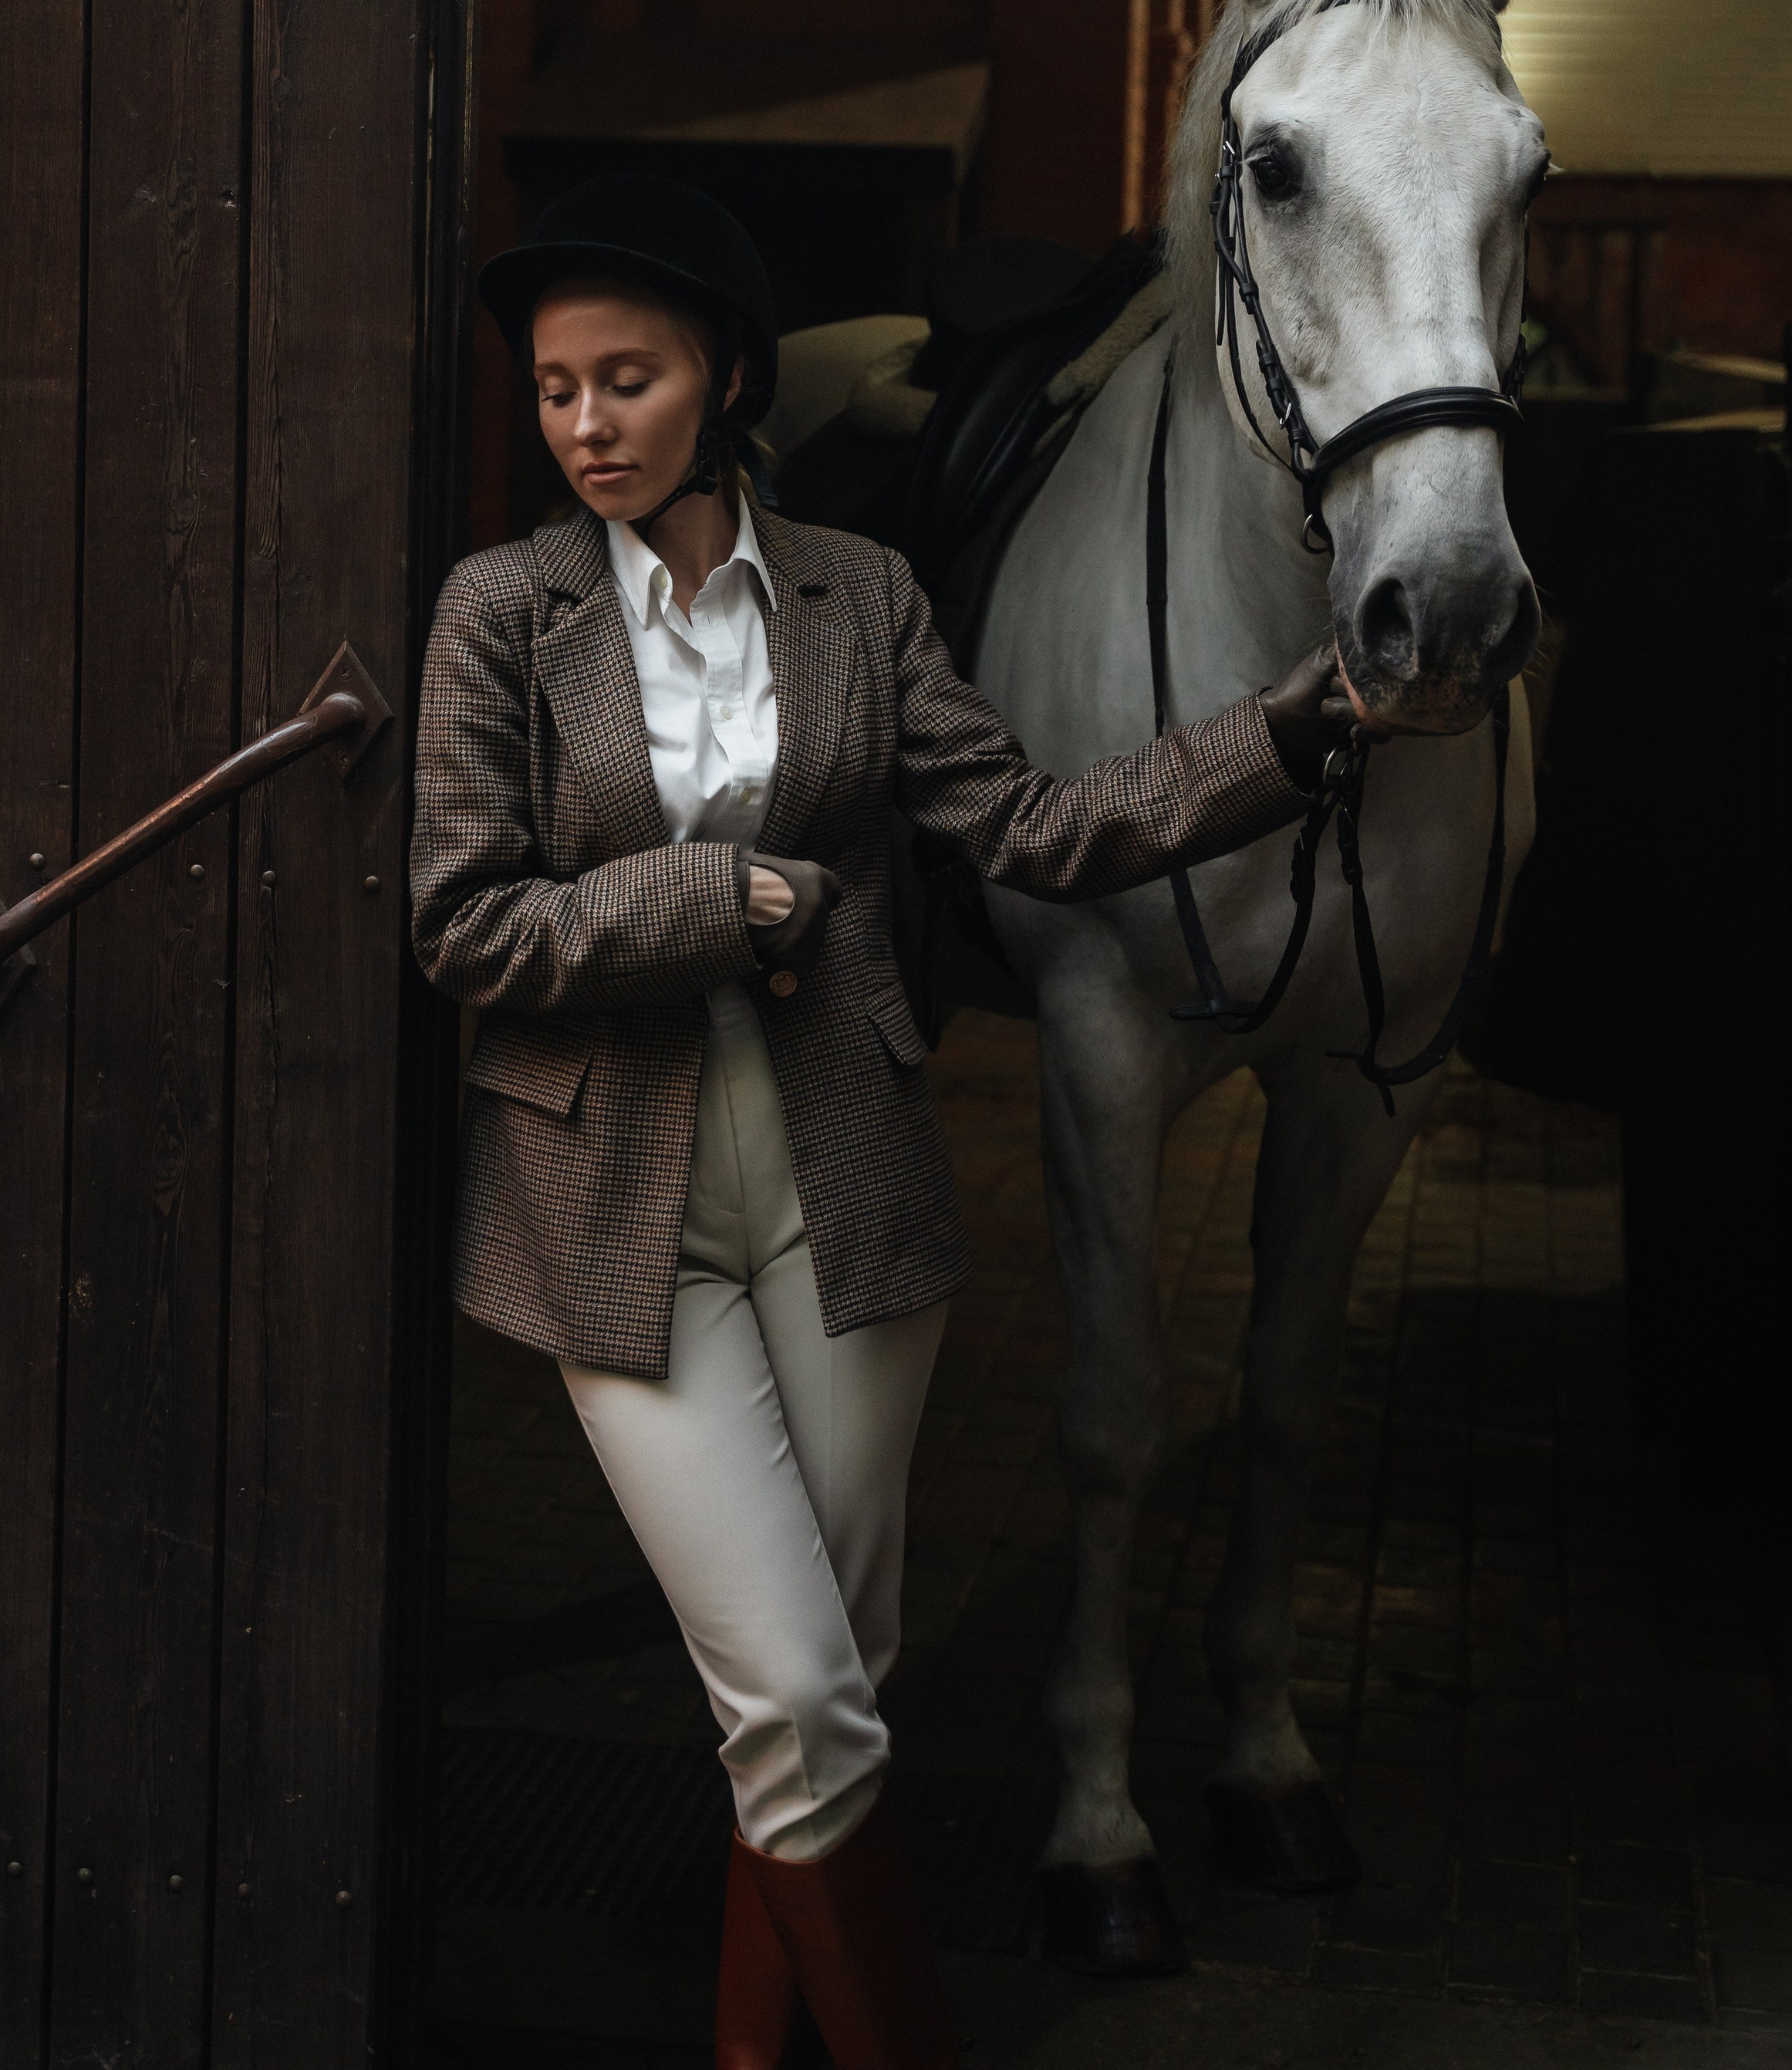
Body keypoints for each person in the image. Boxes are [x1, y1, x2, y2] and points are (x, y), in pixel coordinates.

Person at [410, 175, 1354, 2070]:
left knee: (831, 1685)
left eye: (627, 379)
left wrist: (1290, 730)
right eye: (554, 389)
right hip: (621, 1219)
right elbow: (462, 920)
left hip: (847, 1193)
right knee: (803, 1705)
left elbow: (1027, 831)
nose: (584, 424)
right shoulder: (500, 615)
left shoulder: (861, 595)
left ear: (730, 377)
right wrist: (716, 900)